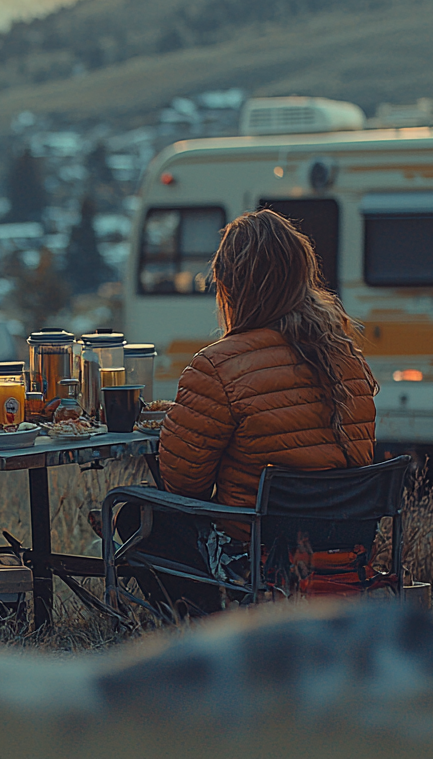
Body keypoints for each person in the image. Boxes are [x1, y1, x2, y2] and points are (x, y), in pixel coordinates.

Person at [121, 208, 378, 615]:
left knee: (139, 516)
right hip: (344, 558)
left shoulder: (218, 366)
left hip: (255, 566)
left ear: (231, 286)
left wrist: (178, 424)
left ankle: (211, 625)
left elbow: (181, 485)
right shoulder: (347, 361)